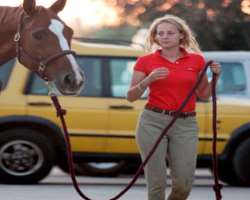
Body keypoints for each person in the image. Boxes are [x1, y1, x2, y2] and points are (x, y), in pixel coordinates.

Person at [127, 14, 221, 200]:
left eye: (170, 32)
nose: (164, 36)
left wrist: (215, 78)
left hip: (186, 124)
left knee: (184, 184)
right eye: (160, 33)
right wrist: (148, 80)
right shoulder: (145, 61)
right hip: (152, 121)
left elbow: (203, 94)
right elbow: (131, 96)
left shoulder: (197, 60)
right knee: (157, 183)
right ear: (155, 37)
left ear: (181, 36)